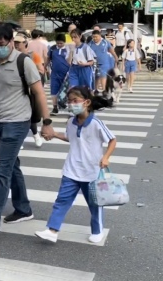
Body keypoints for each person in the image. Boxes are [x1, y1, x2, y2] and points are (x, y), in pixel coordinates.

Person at [0, 22, 54, 239]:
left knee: (2, 170)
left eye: (1, 43)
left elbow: (38, 93)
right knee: (11, 165)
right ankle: (23, 208)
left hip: (18, 122)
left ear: (10, 41)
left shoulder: (22, 61)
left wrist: (46, 122)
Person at [35, 86, 116, 244]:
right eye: (69, 101)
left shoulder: (96, 123)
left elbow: (112, 140)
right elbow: (71, 138)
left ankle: (97, 230)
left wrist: (106, 157)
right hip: (72, 170)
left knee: (94, 204)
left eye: (75, 101)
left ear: (86, 102)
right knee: (62, 201)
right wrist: (54, 134)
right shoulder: (71, 122)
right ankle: (52, 230)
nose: (72, 104)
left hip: (92, 172)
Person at [47, 34, 71, 115]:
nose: (59, 45)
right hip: (54, 73)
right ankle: (55, 107)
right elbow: (48, 58)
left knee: (66, 91)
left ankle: (67, 105)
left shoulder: (68, 49)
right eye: (58, 43)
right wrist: (44, 67)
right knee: (54, 90)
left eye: (61, 43)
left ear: (64, 42)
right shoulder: (52, 49)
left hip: (66, 74)